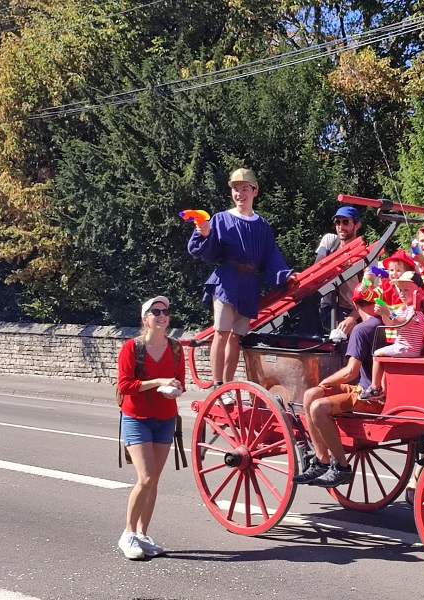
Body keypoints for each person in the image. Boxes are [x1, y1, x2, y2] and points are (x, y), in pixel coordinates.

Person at [187, 168, 294, 389]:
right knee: (221, 333)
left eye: (244, 188)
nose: (239, 194)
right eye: (236, 189)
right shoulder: (221, 219)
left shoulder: (262, 225)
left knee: (236, 338)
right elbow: (207, 251)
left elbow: (271, 256)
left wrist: (286, 275)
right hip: (226, 282)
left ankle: (228, 385)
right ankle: (218, 385)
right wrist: (204, 234)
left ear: (255, 191)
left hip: (248, 286)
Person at [293, 283, 386, 488]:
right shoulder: (386, 324)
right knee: (311, 395)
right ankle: (321, 461)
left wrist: (325, 382)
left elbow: (351, 372)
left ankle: (341, 467)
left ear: (356, 305)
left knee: (317, 406)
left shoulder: (362, 329)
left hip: (370, 396)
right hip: (371, 390)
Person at [116, 296, 185, 560]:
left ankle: (143, 535)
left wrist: (174, 389)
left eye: (165, 311)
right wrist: (157, 382)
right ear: (145, 319)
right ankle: (128, 534)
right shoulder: (132, 347)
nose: (161, 315)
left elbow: (180, 381)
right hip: (137, 418)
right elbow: (125, 386)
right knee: (145, 478)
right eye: (155, 311)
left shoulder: (176, 348)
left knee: (154, 480)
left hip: (165, 418)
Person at [360, 270, 424, 400]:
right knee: (382, 355)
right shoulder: (402, 309)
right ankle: (382, 389)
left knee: (377, 353)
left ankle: (375, 387)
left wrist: (388, 312)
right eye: (400, 290)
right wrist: (383, 313)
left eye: (406, 290)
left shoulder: (417, 311)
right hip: (402, 347)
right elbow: (391, 324)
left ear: (418, 292)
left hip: (408, 349)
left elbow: (404, 323)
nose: (402, 293)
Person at [316, 206, 364, 335]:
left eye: (345, 222)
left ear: (357, 225)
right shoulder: (330, 241)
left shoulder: (366, 254)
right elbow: (317, 270)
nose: (341, 226)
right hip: (331, 308)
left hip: (355, 309)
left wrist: (351, 318)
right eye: (337, 222)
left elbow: (368, 292)